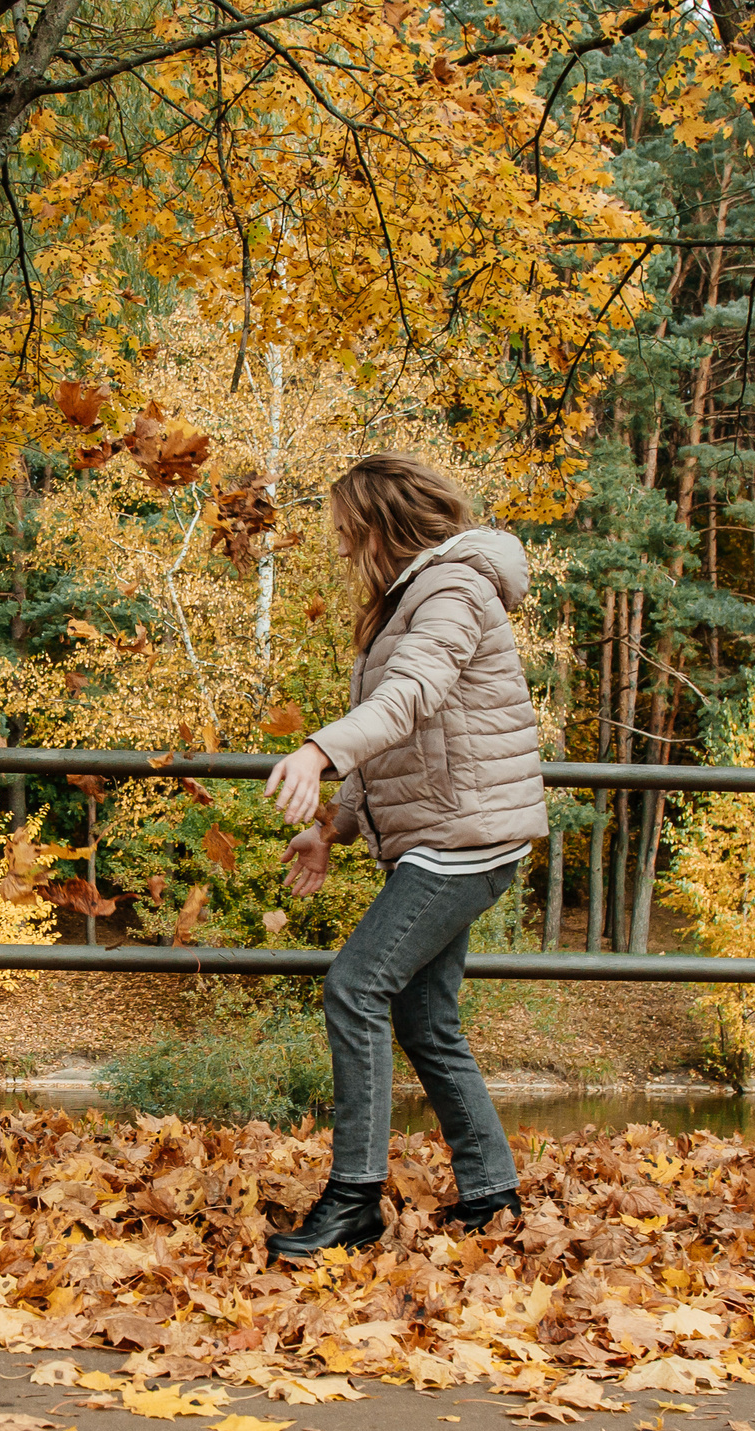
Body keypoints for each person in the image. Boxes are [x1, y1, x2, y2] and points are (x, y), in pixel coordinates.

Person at [260, 455, 549, 1259]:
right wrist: (334, 828)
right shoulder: (408, 600)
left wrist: (318, 749)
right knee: (424, 1018)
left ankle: (354, 1197)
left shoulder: (453, 590)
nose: (342, 547)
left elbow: (408, 698)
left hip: (463, 839)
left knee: (355, 986)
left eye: (348, 531)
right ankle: (492, 1192)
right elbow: (395, 741)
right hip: (449, 836)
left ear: (383, 525)